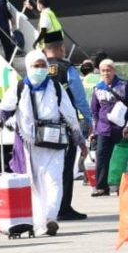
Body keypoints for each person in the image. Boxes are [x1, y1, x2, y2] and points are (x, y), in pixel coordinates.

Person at [0, 51, 87, 236]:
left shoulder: (56, 87)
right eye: (36, 66)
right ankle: (38, 222)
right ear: (28, 67)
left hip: (53, 143)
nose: (40, 69)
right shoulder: (19, 88)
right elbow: (5, 109)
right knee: (34, 185)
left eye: (43, 65)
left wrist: (80, 140)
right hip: (29, 145)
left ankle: (50, 218)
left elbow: (69, 115)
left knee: (54, 181)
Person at [42, 35, 93, 221]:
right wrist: (88, 119)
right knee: (64, 168)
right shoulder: (67, 68)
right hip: (64, 126)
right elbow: (78, 97)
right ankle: (63, 208)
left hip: (42, 127)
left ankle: (46, 207)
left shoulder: (38, 68)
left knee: (46, 168)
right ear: (62, 49)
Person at [88, 59, 128, 197]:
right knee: (101, 156)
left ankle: (121, 184)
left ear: (114, 71)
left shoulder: (124, 86)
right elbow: (94, 110)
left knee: (121, 157)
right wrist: (94, 130)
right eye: (103, 70)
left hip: (121, 128)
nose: (106, 73)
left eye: (108, 70)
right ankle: (102, 186)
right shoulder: (97, 88)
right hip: (103, 128)